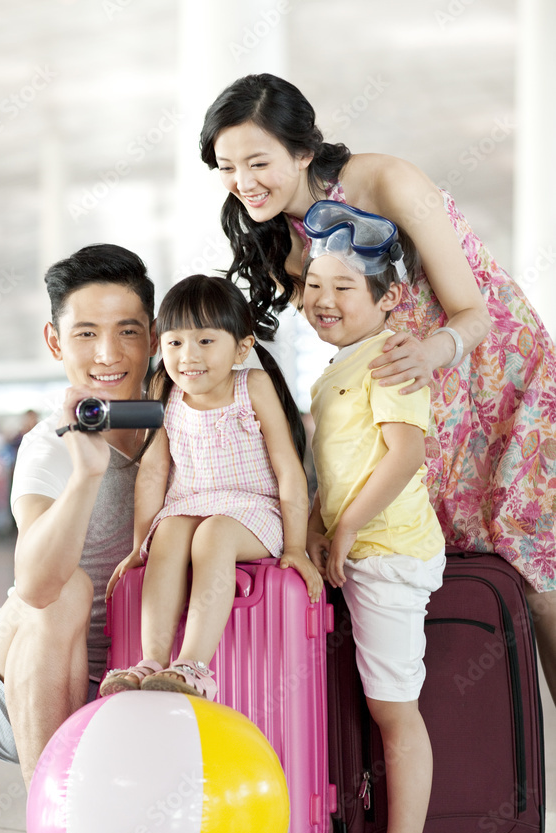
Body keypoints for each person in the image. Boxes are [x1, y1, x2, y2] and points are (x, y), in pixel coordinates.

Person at [199, 73, 556, 703]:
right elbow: (346, 339)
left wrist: (428, 352)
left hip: (494, 374)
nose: (242, 181)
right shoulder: (278, 239)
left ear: (304, 151)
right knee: (438, 565)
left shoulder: (387, 182)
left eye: (258, 161)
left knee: (536, 571)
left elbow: (474, 311)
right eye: (226, 166)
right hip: (409, 395)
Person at [0, 244, 158, 833]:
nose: (108, 354)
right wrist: (87, 471)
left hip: (117, 685)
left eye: (128, 331)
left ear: (153, 337)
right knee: (64, 588)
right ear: (54, 341)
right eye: (86, 334)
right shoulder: (46, 446)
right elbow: (37, 588)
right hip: (14, 684)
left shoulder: (182, 429)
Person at [302, 202, 445, 833]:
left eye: (342, 289)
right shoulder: (338, 366)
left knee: (394, 708)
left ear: (386, 299)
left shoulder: (389, 358)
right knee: (379, 702)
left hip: (387, 555)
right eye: (312, 286)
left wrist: (348, 528)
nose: (322, 301)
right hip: (364, 553)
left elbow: (401, 455)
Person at [99, 274, 322, 700]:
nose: (188, 356)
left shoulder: (251, 385)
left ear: (241, 347)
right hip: (188, 507)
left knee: (214, 533)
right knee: (169, 533)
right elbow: (152, 471)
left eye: (205, 341)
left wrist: (295, 547)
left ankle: (194, 667)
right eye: (175, 342)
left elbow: (289, 470)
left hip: (253, 513)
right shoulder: (163, 391)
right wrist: (137, 545)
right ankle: (151, 660)